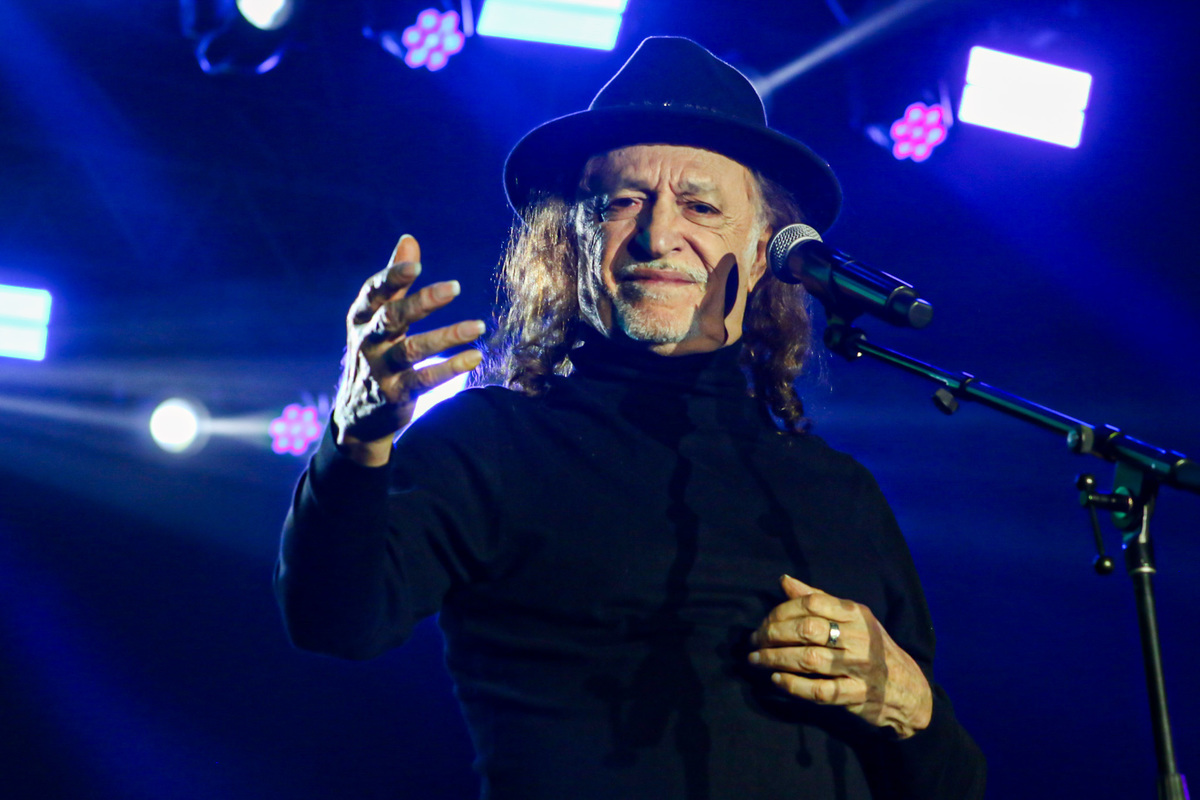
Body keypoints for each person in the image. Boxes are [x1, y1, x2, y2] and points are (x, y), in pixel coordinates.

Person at [276, 37, 986, 799]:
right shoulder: (491, 444)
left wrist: (911, 709)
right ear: (571, 244)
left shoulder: (836, 492)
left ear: (765, 253)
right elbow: (334, 619)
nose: (656, 235)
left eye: (701, 206)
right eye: (620, 203)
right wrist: (356, 440)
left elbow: (952, 789)